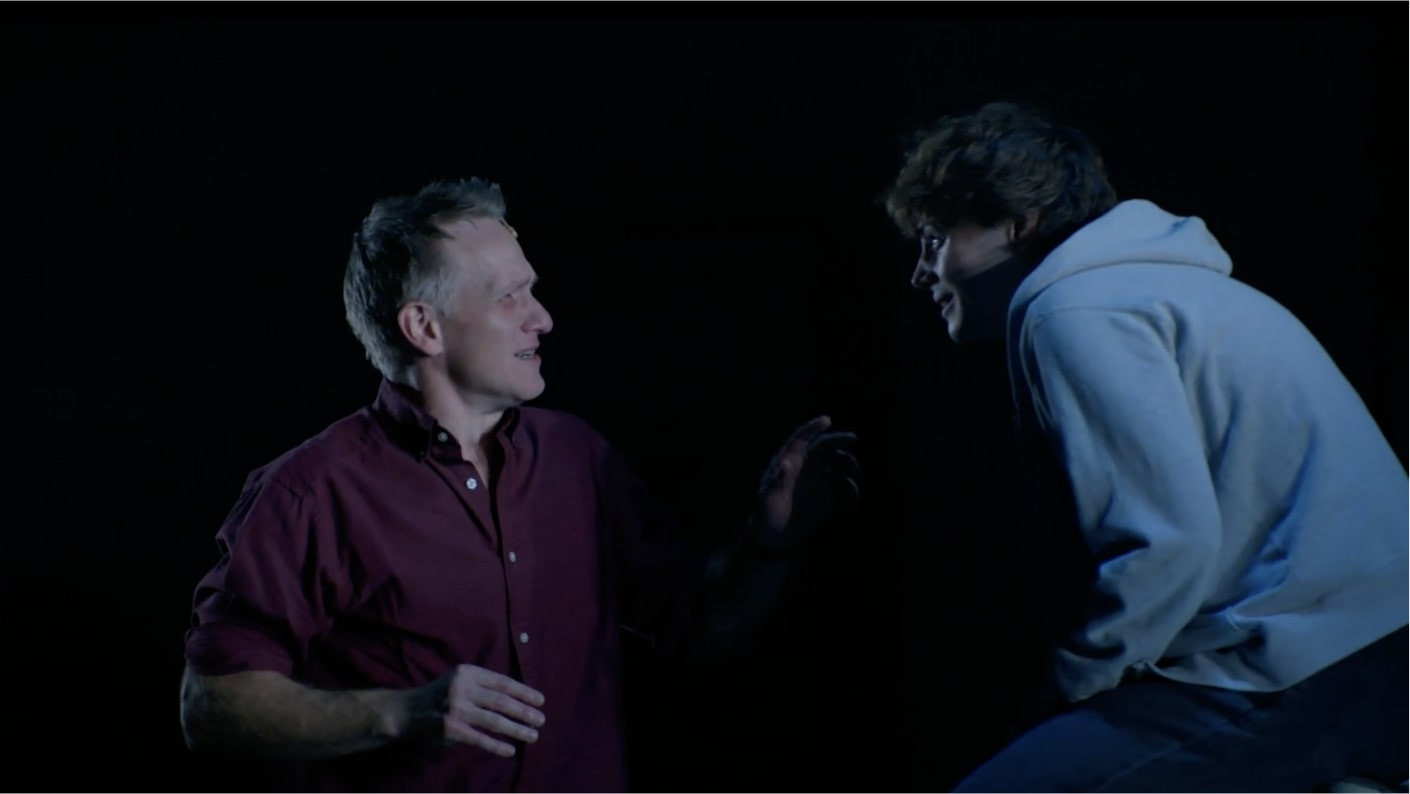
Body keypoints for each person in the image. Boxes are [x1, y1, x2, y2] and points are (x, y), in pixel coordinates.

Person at [178, 178, 858, 792]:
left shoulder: (577, 457)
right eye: (509, 297)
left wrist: (768, 539)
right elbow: (210, 706)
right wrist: (401, 712)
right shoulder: (308, 494)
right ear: (424, 326)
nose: (542, 318)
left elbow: (700, 623)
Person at [884, 101, 1408, 792]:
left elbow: (1165, 546)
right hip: (1363, 654)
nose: (921, 272)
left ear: (1017, 222)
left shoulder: (1073, 310)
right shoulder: (1159, 289)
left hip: (1311, 667)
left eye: (934, 239)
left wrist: (1068, 689)